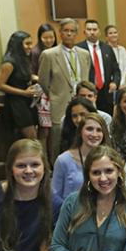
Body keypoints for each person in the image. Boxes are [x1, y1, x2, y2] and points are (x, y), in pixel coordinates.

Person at [38, 18, 91, 162]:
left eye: (72, 31)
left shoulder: (84, 54)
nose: (69, 34)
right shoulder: (49, 55)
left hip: (82, 104)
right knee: (57, 143)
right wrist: (55, 96)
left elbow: (86, 80)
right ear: (60, 33)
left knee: (83, 138)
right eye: (66, 31)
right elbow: (43, 82)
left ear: (77, 33)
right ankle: (56, 171)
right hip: (59, 105)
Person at [53, 113, 111, 209]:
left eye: (99, 130)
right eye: (89, 129)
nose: (94, 134)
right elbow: (55, 196)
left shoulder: (110, 159)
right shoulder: (63, 160)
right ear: (80, 131)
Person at [0, 31, 40, 141]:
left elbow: (22, 76)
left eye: (31, 43)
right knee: (32, 137)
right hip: (16, 103)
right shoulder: (9, 62)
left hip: (27, 101)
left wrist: (35, 78)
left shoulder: (24, 59)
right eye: (27, 44)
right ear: (18, 45)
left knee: (32, 135)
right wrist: (24, 92)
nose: (30, 47)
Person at [76, 20, 121, 115]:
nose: (92, 32)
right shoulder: (78, 49)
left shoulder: (107, 48)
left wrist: (115, 83)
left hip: (106, 92)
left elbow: (116, 70)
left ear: (99, 32)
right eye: (89, 29)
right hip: (88, 93)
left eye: (95, 29)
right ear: (84, 32)